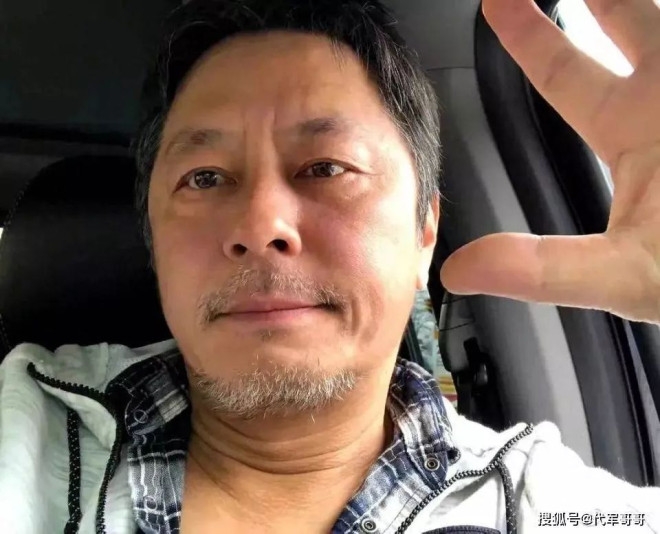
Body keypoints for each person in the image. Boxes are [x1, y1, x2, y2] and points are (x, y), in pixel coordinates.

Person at [1, 0, 659, 532]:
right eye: (204, 178)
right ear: (153, 238)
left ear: (424, 230)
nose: (259, 227)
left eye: (325, 168)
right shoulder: (24, 428)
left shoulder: (549, 505)